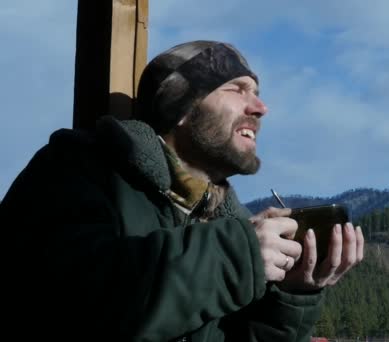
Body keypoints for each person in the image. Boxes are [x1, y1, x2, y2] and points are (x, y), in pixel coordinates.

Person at [0, 40, 364, 341]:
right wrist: (239, 256)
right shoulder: (78, 169)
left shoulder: (229, 221)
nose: (261, 107)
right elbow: (68, 303)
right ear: (182, 108)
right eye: (238, 89)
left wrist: (293, 296)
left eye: (258, 93)